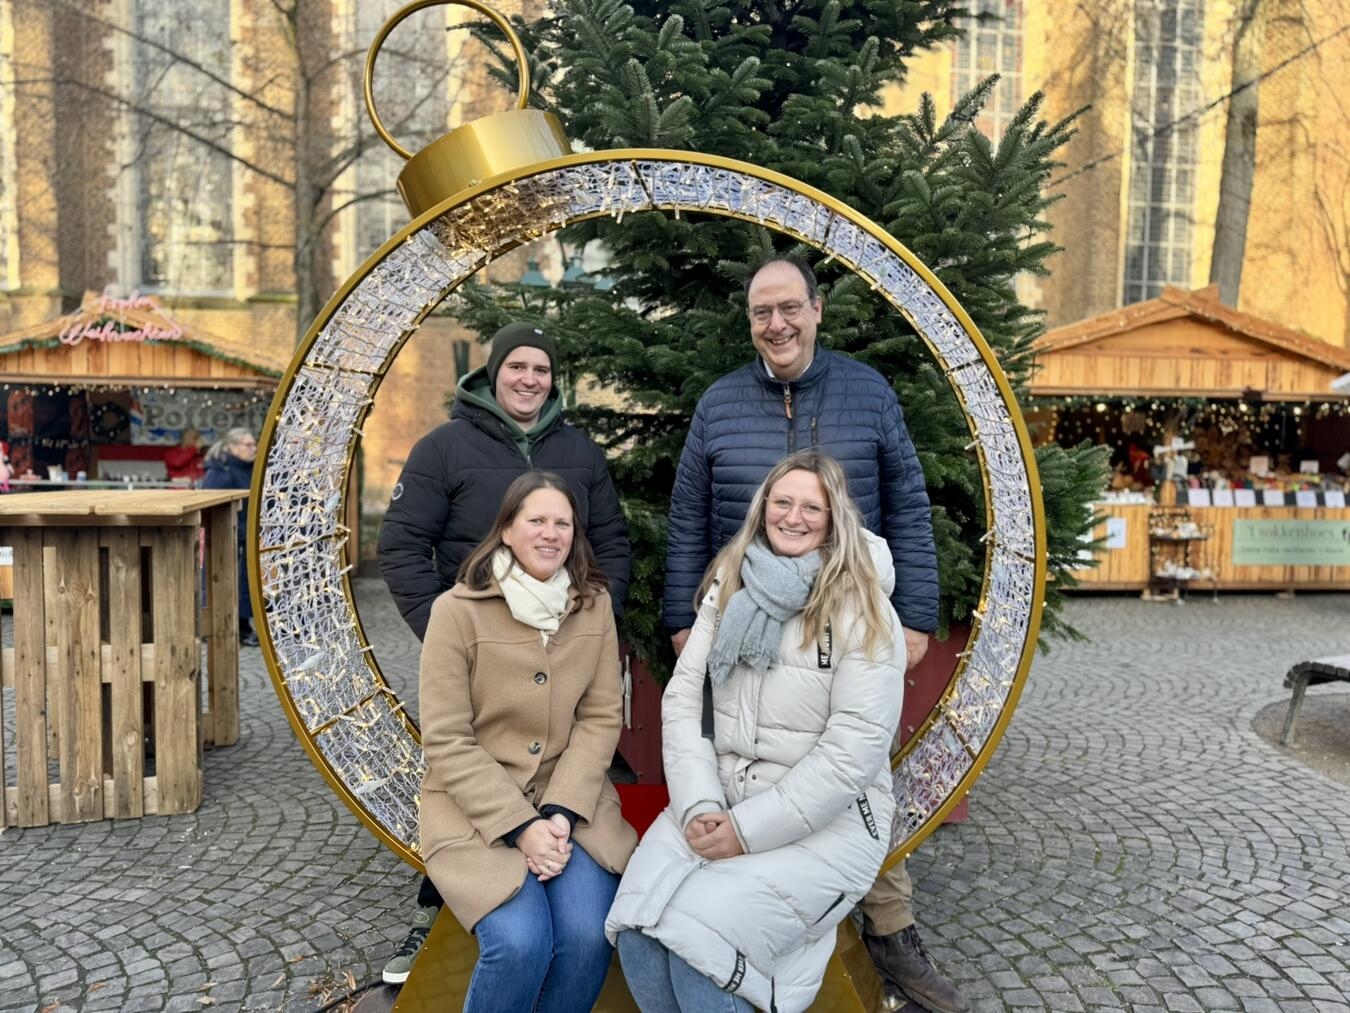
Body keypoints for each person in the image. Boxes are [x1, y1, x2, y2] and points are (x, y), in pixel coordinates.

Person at [663, 256, 967, 1013]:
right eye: (762, 312)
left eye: (790, 307)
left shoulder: (867, 392)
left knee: (853, 769)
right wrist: (680, 615)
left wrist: (916, 617)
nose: (778, 324)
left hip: (843, 619)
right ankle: (733, 905)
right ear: (750, 322)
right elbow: (687, 517)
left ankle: (890, 929)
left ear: (817, 310)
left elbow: (908, 503)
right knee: (752, 762)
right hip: (746, 624)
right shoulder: (719, 402)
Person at [378, 321, 631, 985]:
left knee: (581, 931)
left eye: (541, 368)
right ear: (492, 373)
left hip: (563, 648)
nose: (528, 378)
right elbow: (402, 545)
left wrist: (591, 622)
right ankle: (435, 909)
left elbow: (612, 546)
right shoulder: (444, 448)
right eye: (515, 365)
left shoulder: (580, 453)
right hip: (477, 654)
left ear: (554, 379)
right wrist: (453, 633)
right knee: (512, 926)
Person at [608, 452, 904, 1013]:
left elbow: (852, 754)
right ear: (763, 506)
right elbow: (689, 702)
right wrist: (699, 806)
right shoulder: (732, 581)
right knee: (639, 926)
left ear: (835, 517)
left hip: (827, 823)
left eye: (811, 506)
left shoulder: (862, 606)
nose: (794, 517)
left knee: (702, 943)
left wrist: (745, 831)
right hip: (718, 800)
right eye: (783, 501)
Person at [419, 471, 637, 1012]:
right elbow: (446, 739)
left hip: (573, 806)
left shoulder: (594, 604)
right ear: (507, 531)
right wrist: (521, 826)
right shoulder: (456, 611)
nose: (551, 533)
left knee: (588, 936)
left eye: (562, 522)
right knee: (520, 944)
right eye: (536, 520)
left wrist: (560, 813)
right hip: (478, 813)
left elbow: (602, 714)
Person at [201, 427, 259, 647]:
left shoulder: (250, 469)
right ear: (232, 447)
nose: (253, 448)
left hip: (244, 537)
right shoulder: (221, 472)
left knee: (242, 585)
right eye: (248, 445)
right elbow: (211, 508)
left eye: (254, 444)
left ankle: (241, 627)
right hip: (225, 538)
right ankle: (220, 628)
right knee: (222, 583)